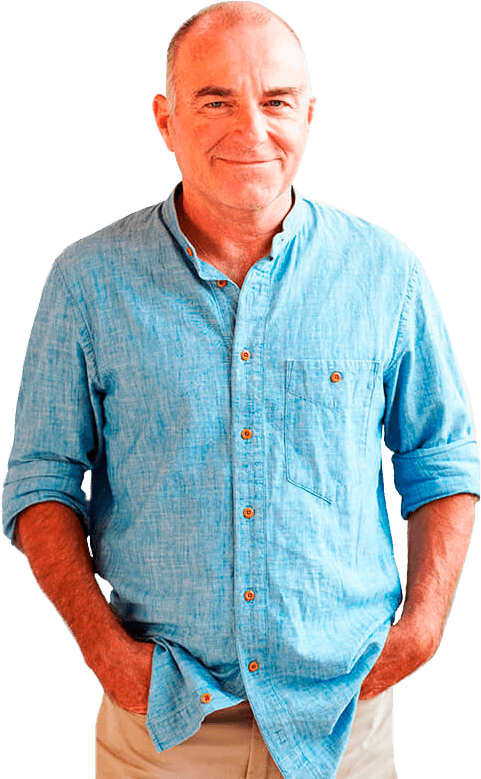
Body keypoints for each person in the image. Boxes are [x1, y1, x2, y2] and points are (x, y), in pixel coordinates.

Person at [1, 1, 479, 777]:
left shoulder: (386, 273)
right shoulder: (85, 281)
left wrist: (422, 630)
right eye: (215, 100)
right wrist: (104, 651)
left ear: (309, 114)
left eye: (275, 101)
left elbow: (443, 457)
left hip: (343, 721)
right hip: (161, 726)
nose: (250, 128)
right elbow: (40, 480)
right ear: (165, 119)